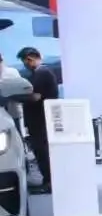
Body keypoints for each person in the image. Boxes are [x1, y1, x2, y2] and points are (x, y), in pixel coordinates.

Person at [18, 47, 59, 194]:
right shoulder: (40, 73)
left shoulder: (42, 74)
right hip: (39, 121)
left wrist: (18, 97)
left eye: (25, 62)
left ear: (30, 59)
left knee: (42, 152)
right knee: (41, 152)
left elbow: (35, 96)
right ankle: (48, 181)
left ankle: (49, 182)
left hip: (41, 121)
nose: (26, 65)